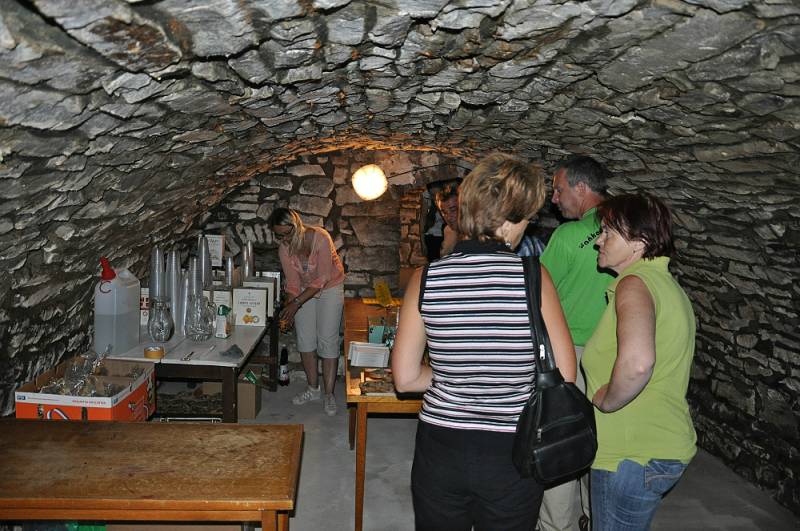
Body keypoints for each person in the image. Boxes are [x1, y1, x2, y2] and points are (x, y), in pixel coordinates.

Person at [392, 153, 577, 531]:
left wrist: (455, 377)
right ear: (509, 221)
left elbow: (406, 379)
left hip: (441, 449)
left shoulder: (426, 278)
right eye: (526, 218)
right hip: (513, 450)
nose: (526, 227)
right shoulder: (533, 277)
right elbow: (565, 375)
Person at [583, 193, 697, 530]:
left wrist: (607, 400)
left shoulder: (634, 284)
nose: (598, 241)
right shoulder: (664, 284)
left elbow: (638, 363)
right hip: (656, 444)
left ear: (639, 242)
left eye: (608, 233)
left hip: (630, 454)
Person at [538, 155, 615, 531]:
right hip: (613, 356)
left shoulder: (568, 236)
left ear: (581, 188)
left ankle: (558, 526)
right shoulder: (627, 228)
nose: (554, 199)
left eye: (558, 190)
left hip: (569, 354)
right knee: (599, 443)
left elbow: (537, 294)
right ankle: (595, 517)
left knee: (562, 444)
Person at [268, 208, 345, 416]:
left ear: (297, 225)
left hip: (330, 287)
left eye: (287, 233)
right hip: (303, 290)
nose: (284, 239)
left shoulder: (320, 238)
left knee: (327, 339)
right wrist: (289, 308)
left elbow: (323, 278)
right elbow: (293, 283)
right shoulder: (284, 249)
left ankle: (329, 394)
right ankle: (313, 389)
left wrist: (296, 304)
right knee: (305, 339)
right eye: (279, 235)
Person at [433, 180, 461, 256]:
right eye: (444, 212)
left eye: (453, 210)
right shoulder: (448, 231)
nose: (448, 217)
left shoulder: (475, 230)